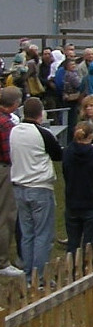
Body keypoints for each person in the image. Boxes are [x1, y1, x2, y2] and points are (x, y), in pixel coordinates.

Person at [10, 97, 64, 284]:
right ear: (41, 114)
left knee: (27, 233)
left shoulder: (14, 131)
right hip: (39, 186)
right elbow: (58, 154)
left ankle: (28, 274)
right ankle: (39, 277)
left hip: (19, 187)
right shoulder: (43, 134)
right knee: (42, 234)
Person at [62, 122, 93, 255]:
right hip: (91, 203)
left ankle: (70, 272)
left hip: (72, 202)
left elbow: (65, 173)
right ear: (91, 135)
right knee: (89, 244)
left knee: (72, 243)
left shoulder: (67, 152)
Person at [0, 87, 22, 277]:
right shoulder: (6, 124)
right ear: (15, 104)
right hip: (3, 169)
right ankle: (3, 262)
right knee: (5, 215)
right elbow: (9, 154)